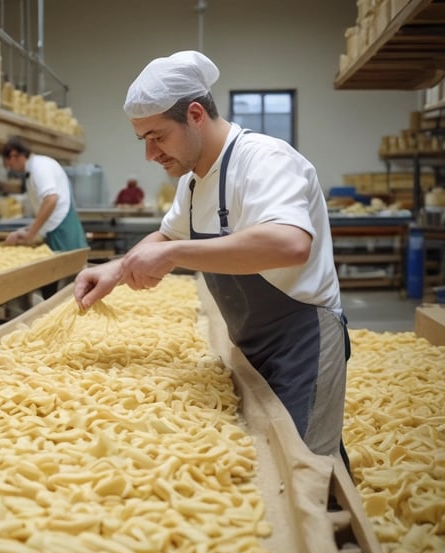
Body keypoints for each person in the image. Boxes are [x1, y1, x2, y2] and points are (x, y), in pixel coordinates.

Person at [74, 50, 351, 467]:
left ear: (197, 114)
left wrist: (174, 254)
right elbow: (168, 233)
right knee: (277, 457)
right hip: (251, 340)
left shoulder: (264, 160)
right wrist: (116, 268)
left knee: (306, 465)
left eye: (158, 136)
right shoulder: (193, 182)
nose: (150, 155)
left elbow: (290, 243)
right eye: (143, 140)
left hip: (302, 340)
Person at [1, 136, 88, 252]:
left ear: (14, 154)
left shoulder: (40, 167)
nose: (10, 168)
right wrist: (26, 231)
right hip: (54, 229)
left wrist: (31, 233)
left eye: (9, 165)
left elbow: (51, 200)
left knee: (70, 267)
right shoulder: (33, 170)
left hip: (62, 230)